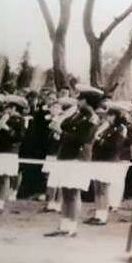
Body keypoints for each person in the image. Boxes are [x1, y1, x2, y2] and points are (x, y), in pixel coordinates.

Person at [44, 86, 103, 237]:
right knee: (66, 192)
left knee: (74, 193)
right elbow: (65, 125)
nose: (77, 102)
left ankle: (72, 227)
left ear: (86, 101)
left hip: (78, 158)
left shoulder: (92, 118)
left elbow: (83, 138)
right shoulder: (77, 114)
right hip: (66, 155)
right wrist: (63, 118)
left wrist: (61, 132)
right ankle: (64, 225)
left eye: (80, 99)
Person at [85, 102, 131, 226]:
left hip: (109, 161)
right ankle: (98, 214)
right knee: (98, 188)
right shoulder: (107, 128)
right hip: (100, 159)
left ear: (116, 116)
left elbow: (116, 145)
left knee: (103, 189)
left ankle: (102, 216)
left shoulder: (120, 128)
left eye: (111, 115)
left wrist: (101, 140)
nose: (108, 118)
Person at [0, 95, 27, 214]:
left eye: (8, 107)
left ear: (14, 108)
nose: (6, 109)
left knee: (4, 177)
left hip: (8, 152)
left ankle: (0, 204)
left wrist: (7, 129)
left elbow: (19, 137)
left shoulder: (20, 120)